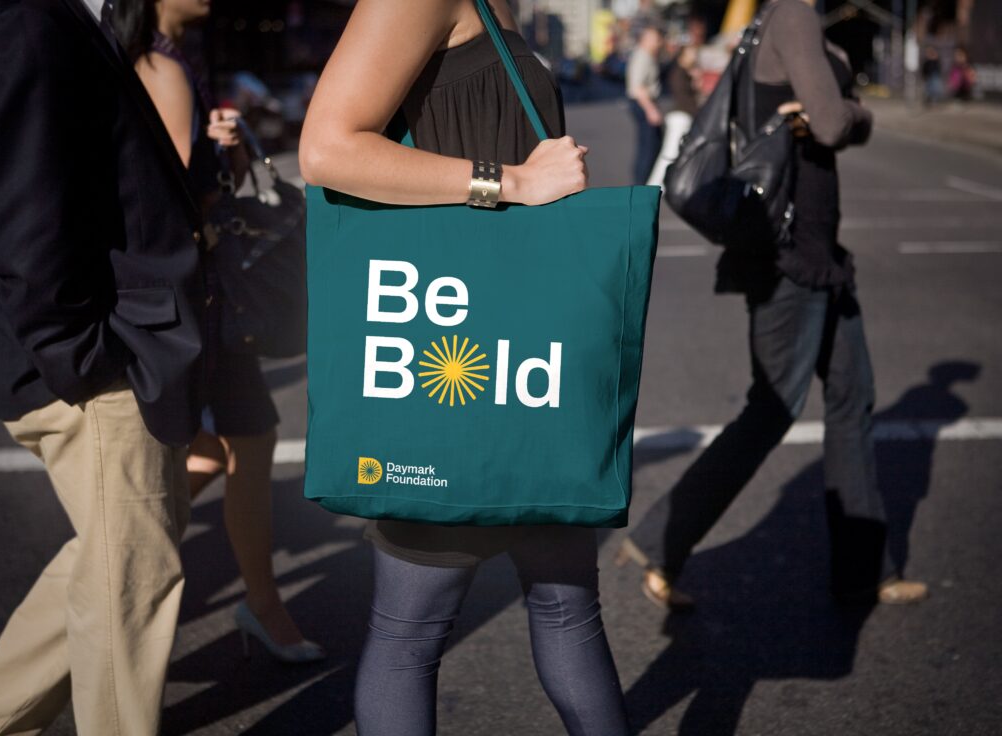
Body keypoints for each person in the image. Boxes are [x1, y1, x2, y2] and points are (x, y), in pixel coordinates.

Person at [299, 1, 629, 733]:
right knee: (414, 632)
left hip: (529, 352)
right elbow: (326, 150)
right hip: (452, 350)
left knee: (568, 612)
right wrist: (509, 182)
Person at [619, 0, 928, 611]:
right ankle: (662, 538)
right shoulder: (792, 14)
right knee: (774, 408)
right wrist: (852, 114)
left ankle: (864, 570)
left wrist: (831, 111)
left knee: (850, 397)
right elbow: (836, 124)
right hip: (789, 248)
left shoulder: (789, 18)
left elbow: (823, 118)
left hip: (817, 247)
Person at [0, 0, 207, 732]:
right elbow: (22, 211)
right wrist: (86, 362)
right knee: (129, 598)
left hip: (92, 353)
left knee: (112, 567)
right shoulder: (30, 20)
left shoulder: (45, 19)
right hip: (94, 365)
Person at [114, 0, 325, 663]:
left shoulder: (174, 59)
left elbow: (202, 189)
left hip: (203, 293)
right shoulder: (157, 63)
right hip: (192, 297)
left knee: (235, 442)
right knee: (228, 443)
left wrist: (224, 151)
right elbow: (171, 198)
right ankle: (115, 573)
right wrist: (210, 156)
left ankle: (249, 601)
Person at [647, 43, 700, 186]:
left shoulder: (685, 72)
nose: (694, 56)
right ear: (683, 55)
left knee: (675, 153)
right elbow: (685, 99)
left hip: (682, 116)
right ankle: (655, 186)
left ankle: (660, 185)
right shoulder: (679, 73)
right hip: (680, 117)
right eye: (691, 53)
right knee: (670, 153)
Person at [627, 24, 666, 185]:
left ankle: (643, 182)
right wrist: (651, 110)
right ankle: (640, 184)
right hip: (643, 103)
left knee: (651, 145)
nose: (660, 43)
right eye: (657, 40)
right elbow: (638, 88)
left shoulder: (648, 56)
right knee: (648, 148)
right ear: (646, 40)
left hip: (645, 103)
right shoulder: (642, 57)